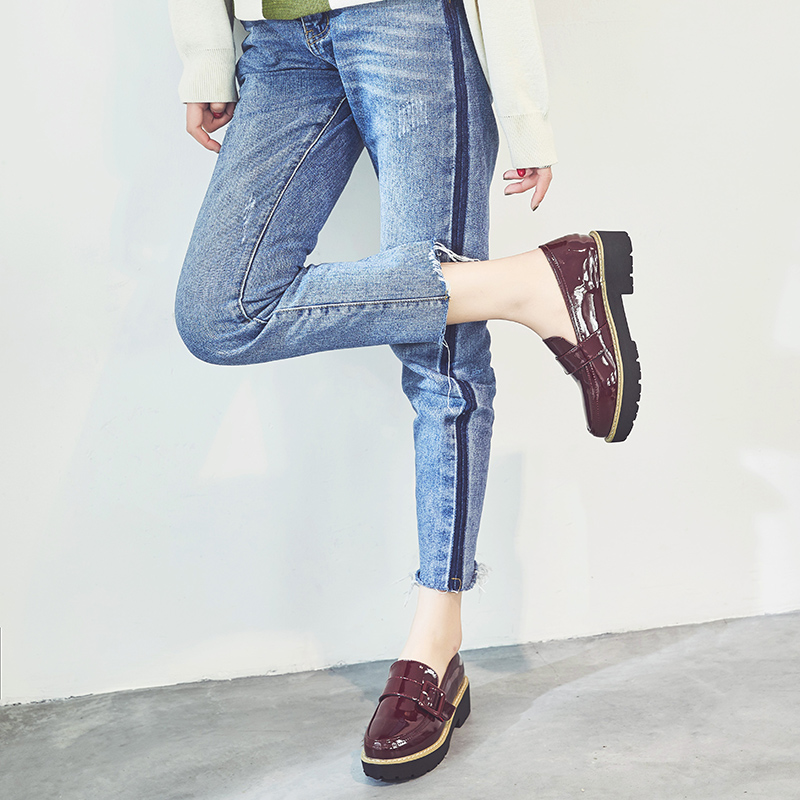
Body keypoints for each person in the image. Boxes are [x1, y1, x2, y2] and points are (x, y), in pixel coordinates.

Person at [169, 0, 640, 782]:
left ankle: (434, 646)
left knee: (439, 355)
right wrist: (206, 53)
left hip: (410, 24)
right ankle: (535, 283)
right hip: (276, 44)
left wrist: (525, 109)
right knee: (220, 313)